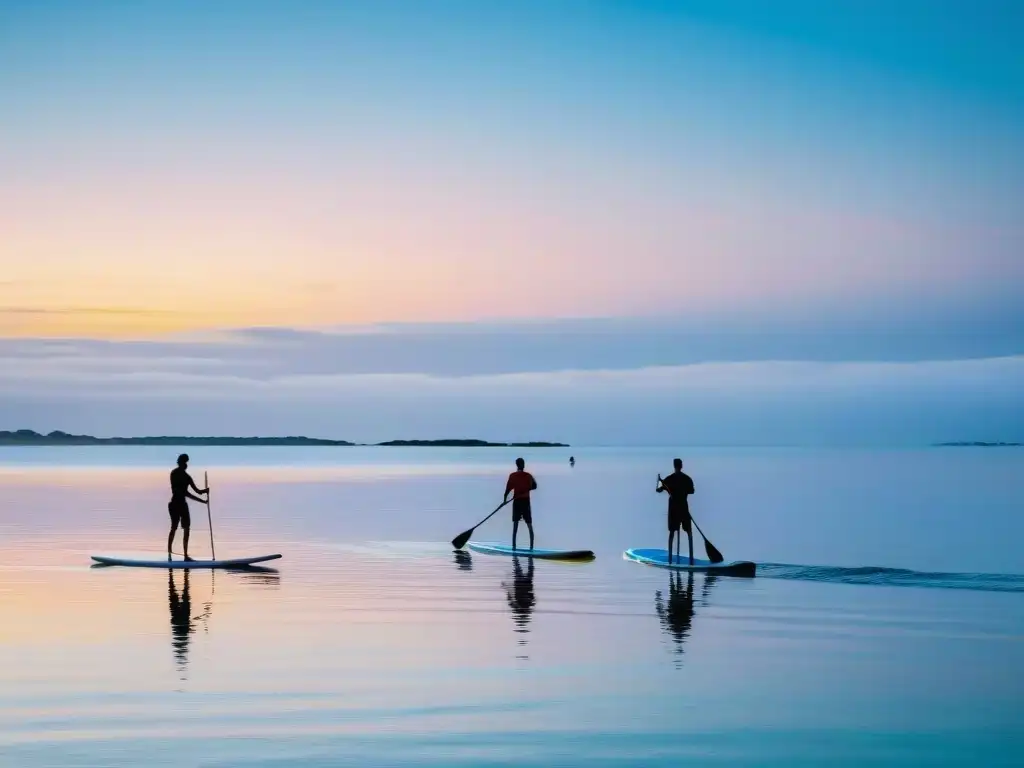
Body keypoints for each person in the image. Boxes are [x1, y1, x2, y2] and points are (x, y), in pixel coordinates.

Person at [168, 453, 208, 561]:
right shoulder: (174, 474)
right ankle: (169, 553)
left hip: (183, 504)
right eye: (183, 462)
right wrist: (201, 498)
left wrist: (205, 493)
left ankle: (185, 555)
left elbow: (197, 491)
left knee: (186, 528)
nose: (185, 465)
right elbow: (181, 491)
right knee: (174, 527)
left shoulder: (187, 477)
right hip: (175, 504)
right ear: (180, 463)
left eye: (186, 463)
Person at [656, 458, 695, 565]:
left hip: (676, 507)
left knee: (674, 532)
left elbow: (659, 489)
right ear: (681, 466)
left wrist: (662, 486)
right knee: (687, 532)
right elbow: (692, 491)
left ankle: (670, 559)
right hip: (681, 507)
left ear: (674, 466)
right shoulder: (685, 479)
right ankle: (690, 559)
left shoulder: (670, 479)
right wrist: (662, 486)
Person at [503, 457, 537, 550]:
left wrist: (505, 500)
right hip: (525, 502)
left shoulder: (513, 476)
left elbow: (507, 490)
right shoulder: (528, 476)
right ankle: (531, 548)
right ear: (523, 465)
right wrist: (528, 488)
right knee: (529, 525)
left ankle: (514, 547)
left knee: (515, 526)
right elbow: (535, 486)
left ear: (516, 465)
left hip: (518, 502)